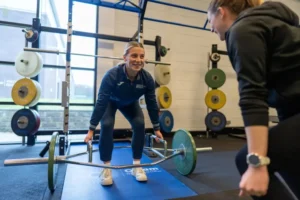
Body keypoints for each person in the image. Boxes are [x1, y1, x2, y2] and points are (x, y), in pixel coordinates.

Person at [207, 0, 300, 199]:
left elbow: (253, 96)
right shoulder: (275, 22)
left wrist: (256, 162)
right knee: (288, 159)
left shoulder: (242, 29)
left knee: (245, 159)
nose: (212, 29)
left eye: (210, 21)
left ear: (221, 12)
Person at [84, 41, 164, 186]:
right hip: (110, 102)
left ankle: (136, 166)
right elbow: (101, 102)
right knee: (107, 124)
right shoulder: (112, 75)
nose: (138, 60)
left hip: (129, 103)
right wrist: (91, 129)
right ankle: (106, 168)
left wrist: (157, 128)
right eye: (134, 55)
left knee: (139, 124)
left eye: (141, 56)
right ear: (125, 57)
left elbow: (152, 104)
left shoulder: (147, 79)